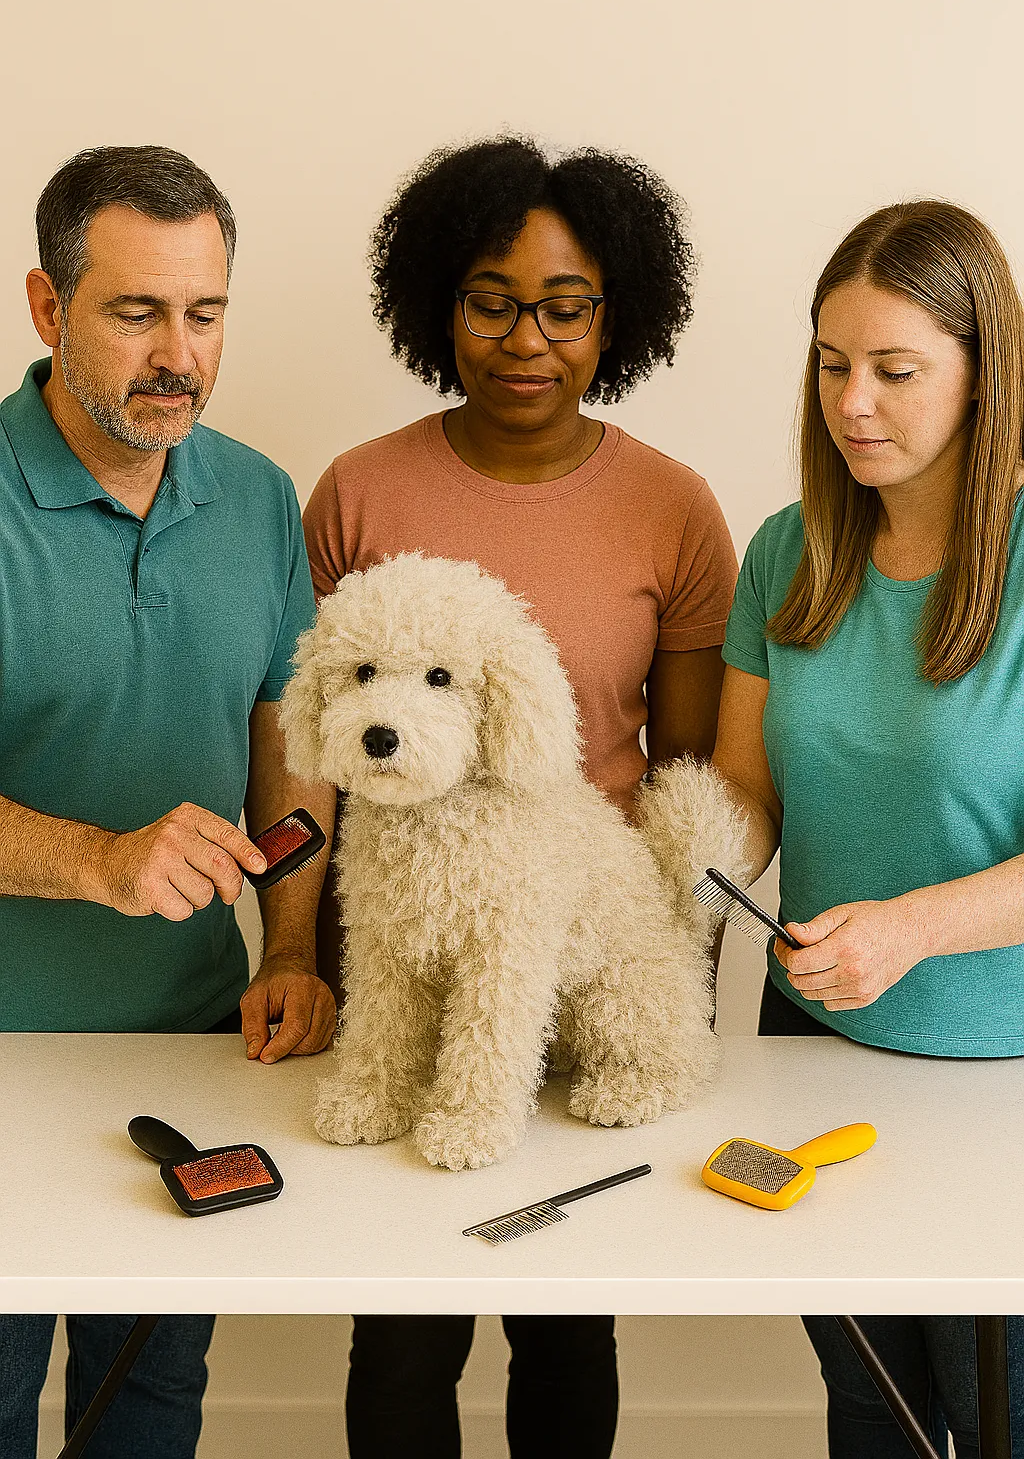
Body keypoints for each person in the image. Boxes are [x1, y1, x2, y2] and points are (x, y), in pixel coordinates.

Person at [302, 135, 738, 1459]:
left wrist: (666, 978)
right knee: (400, 1319)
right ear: (440, 303)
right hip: (390, 922)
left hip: (584, 936)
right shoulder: (358, 490)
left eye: (567, 304)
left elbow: (687, 772)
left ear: (620, 316)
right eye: (493, 299)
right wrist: (288, 945)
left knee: (565, 1318)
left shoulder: (676, 510)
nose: (527, 337)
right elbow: (314, 738)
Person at [0, 146, 337, 1458]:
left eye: (205, 315)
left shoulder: (256, 498)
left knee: (147, 1404)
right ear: (47, 305)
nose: (178, 353)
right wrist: (99, 859)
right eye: (136, 312)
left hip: (189, 1065)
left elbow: (287, 743)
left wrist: (296, 951)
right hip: (5, 1064)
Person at [712, 199, 1024, 1457]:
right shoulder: (786, 552)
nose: (853, 402)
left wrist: (911, 928)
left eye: (895, 371)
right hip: (817, 1053)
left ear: (982, 372)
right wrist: (680, 857)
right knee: (870, 1416)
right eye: (833, 364)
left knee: (992, 1416)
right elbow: (747, 792)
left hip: (994, 1078)